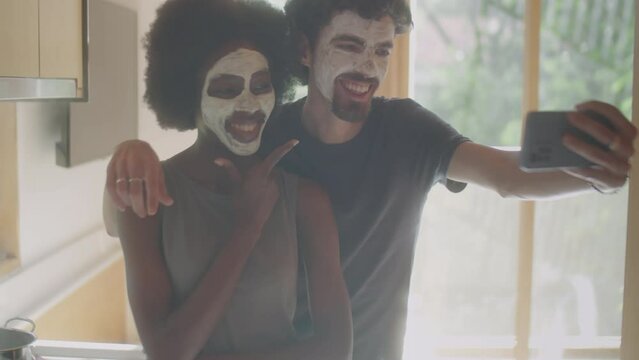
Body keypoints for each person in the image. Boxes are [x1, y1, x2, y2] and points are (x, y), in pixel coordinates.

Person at [105, 0, 637, 359]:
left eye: (382, 49)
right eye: (350, 46)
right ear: (306, 50)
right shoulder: (264, 132)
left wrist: (596, 177)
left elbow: (506, 176)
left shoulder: (407, 130)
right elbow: (166, 203)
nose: (368, 67)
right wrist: (129, 157)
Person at [108, 0, 352, 359]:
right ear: (189, 93)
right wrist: (247, 228)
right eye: (225, 88)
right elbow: (166, 353)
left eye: (261, 85)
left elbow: (336, 351)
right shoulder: (150, 196)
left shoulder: (305, 199)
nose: (249, 104)